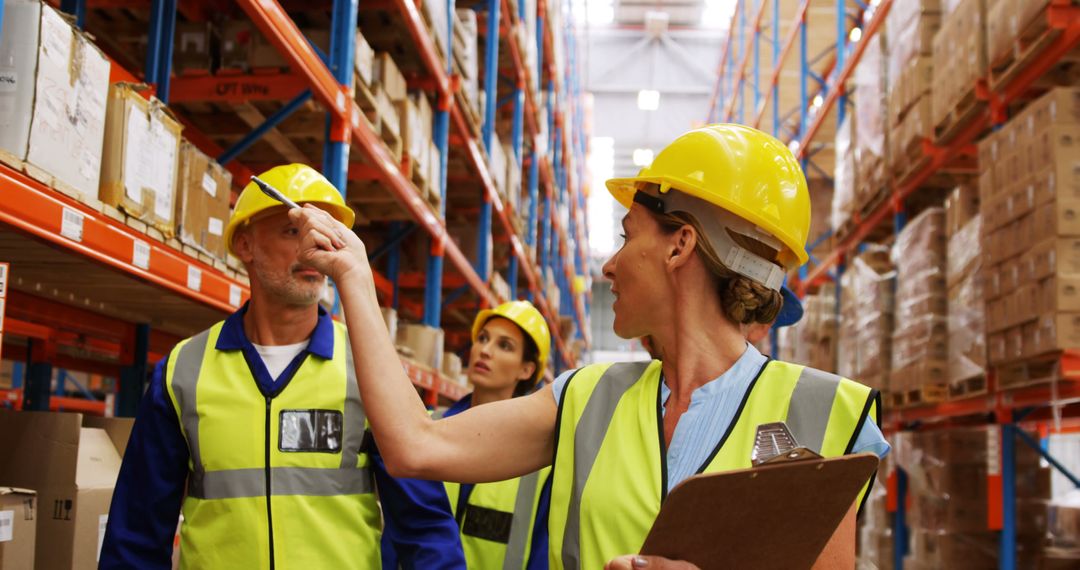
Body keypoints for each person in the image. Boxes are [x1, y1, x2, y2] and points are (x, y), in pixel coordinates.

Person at [290, 125, 890, 569]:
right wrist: (356, 280)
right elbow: (413, 447)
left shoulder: (821, 413)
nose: (608, 265)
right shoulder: (587, 398)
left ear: (680, 246)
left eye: (626, 237)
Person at [99, 164, 465, 569]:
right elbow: (137, 532)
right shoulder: (182, 373)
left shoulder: (370, 371)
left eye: (326, 233)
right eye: (293, 230)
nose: (315, 247)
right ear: (245, 245)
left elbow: (425, 528)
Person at [424, 301, 555, 569]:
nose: (484, 350)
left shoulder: (541, 461)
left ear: (526, 370)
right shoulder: (429, 429)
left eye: (504, 345)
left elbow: (544, 555)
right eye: (483, 339)